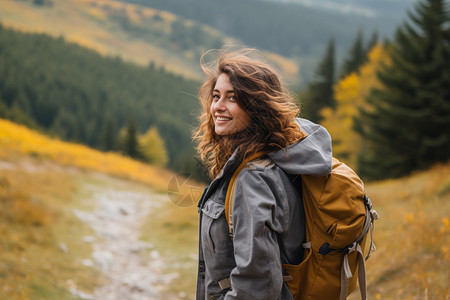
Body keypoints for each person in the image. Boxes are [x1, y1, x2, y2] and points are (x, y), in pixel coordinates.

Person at [194, 48, 332, 300]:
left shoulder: (252, 179)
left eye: (232, 98)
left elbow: (257, 282)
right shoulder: (284, 157)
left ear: (258, 106)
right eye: (216, 96)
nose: (218, 107)